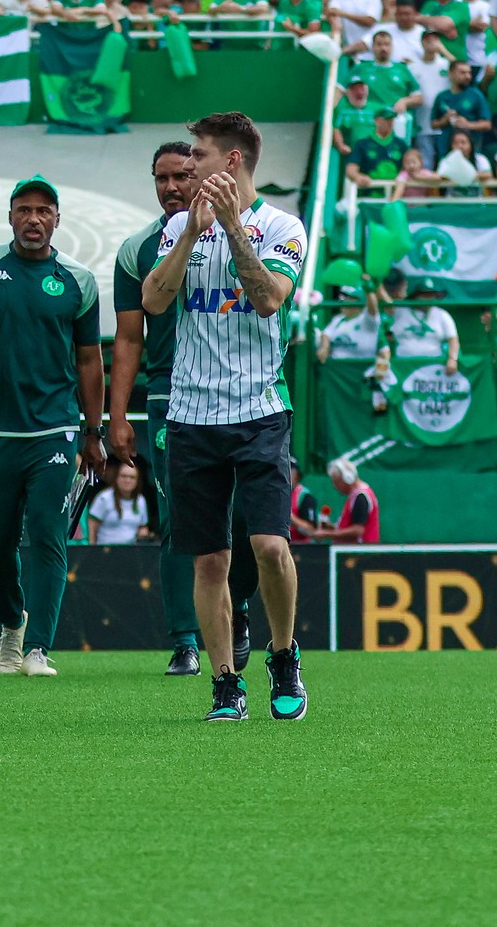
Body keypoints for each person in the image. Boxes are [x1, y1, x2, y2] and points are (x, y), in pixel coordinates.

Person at [140, 112, 310, 722]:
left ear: (232, 161)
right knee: (210, 558)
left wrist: (234, 228)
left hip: (261, 410)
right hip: (190, 414)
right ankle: (224, 682)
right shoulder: (178, 227)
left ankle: (284, 655)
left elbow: (268, 300)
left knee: (268, 545)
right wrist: (190, 233)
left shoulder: (282, 226)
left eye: (201, 155)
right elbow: (153, 301)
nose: (190, 167)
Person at [0, 175, 103, 679]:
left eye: (43, 211)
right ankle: (11, 627)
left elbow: (90, 361)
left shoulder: (79, 280)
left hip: (55, 428)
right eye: (24, 210)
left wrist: (93, 430)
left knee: (49, 536)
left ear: (57, 218)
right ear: (10, 216)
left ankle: (37, 649)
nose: (34, 219)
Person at [108, 139, 204, 676]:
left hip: (235, 393)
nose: (172, 187)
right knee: (177, 518)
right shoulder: (136, 249)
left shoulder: (240, 234)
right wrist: (119, 416)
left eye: (182, 177)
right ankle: (186, 638)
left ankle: (233, 620)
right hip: (171, 395)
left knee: (236, 517)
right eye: (162, 178)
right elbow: (128, 339)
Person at [314, 457, 380, 543]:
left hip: (361, 553)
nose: (334, 486)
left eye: (336, 481)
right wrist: (332, 529)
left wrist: (326, 534)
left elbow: (357, 530)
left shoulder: (361, 497)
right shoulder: (357, 495)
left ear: (347, 478)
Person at [86, 461, 152, 545]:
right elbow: (92, 525)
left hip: (132, 552)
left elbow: (142, 527)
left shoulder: (141, 500)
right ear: (116, 477)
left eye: (132, 477)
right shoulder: (104, 498)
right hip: (105, 551)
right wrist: (92, 548)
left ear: (137, 481)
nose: (127, 480)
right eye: (124, 476)